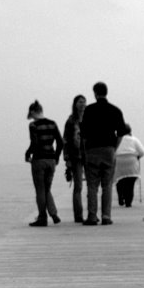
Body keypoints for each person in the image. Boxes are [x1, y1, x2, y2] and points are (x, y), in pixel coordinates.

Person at [80, 81, 128, 225]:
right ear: (106, 92)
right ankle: (106, 216)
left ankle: (92, 217)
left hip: (92, 150)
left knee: (92, 186)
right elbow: (121, 133)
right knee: (107, 185)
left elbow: (83, 135)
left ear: (95, 93)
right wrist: (114, 147)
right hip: (109, 149)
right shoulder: (115, 110)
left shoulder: (89, 110)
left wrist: (85, 151)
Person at [24, 100, 63, 227]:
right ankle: (54, 214)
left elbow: (34, 143)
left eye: (31, 114)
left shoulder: (33, 125)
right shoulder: (52, 123)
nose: (31, 117)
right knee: (47, 189)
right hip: (51, 161)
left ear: (35, 112)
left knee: (40, 190)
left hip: (39, 160)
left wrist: (27, 153)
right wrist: (56, 157)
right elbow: (60, 142)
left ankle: (42, 218)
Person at [62, 93, 87, 223]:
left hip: (89, 156)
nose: (82, 104)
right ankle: (78, 215)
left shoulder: (90, 119)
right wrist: (67, 159)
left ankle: (92, 213)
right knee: (78, 186)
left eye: (84, 101)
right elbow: (65, 140)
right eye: (80, 102)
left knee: (92, 186)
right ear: (75, 104)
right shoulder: (71, 121)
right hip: (76, 156)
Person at [113, 125, 144, 207]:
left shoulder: (116, 140)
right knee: (130, 184)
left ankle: (120, 197)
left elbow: (112, 151)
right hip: (131, 160)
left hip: (119, 160)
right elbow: (142, 152)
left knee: (119, 180)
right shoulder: (134, 139)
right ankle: (128, 202)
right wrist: (137, 157)